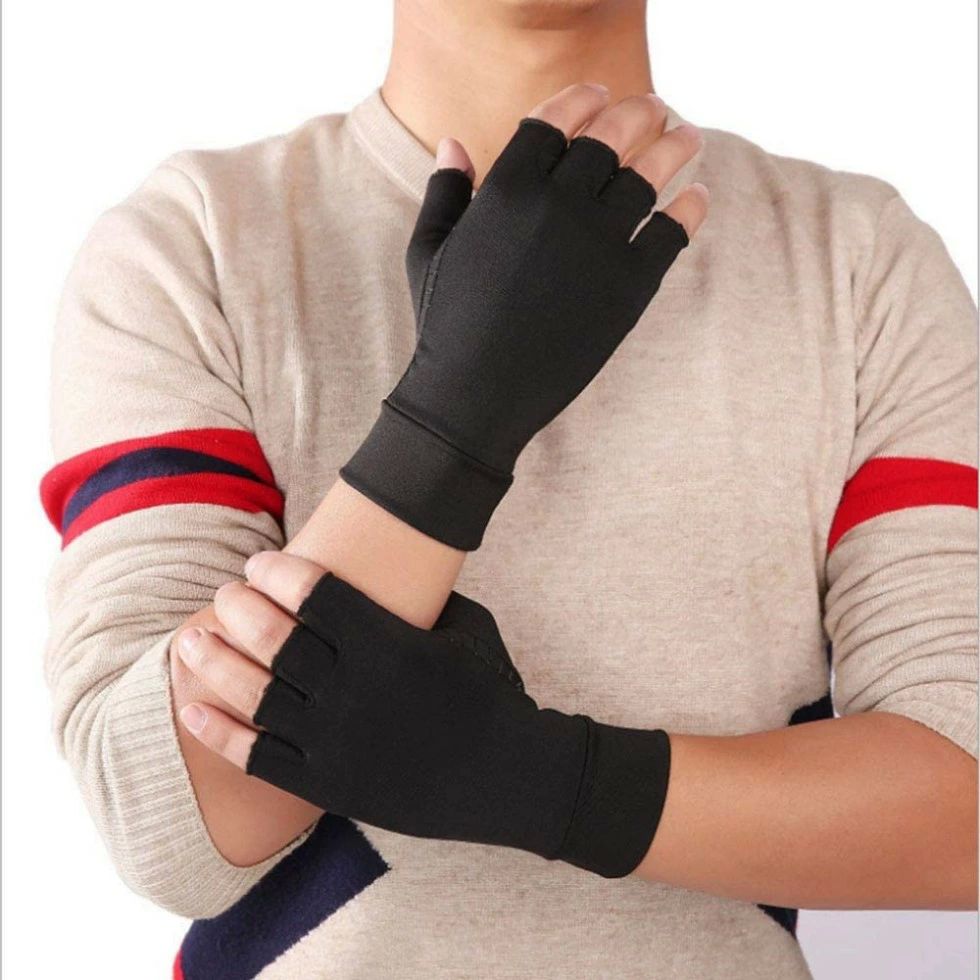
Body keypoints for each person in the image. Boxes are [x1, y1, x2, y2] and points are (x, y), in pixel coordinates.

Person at [40, 1, 977, 978]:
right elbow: (164, 823)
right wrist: (456, 416)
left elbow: (964, 807)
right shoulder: (196, 242)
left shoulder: (857, 259)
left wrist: (533, 779)